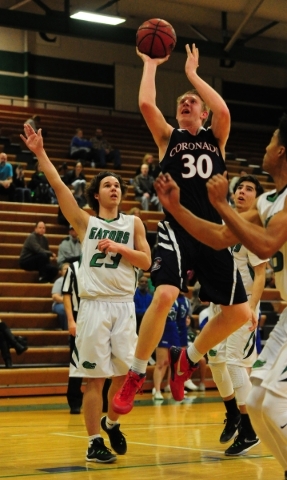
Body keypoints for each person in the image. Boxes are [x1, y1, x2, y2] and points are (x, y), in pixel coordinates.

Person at [112, 43, 252, 415]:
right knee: (164, 295)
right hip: (175, 228)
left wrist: (193, 76)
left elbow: (222, 109)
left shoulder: (215, 137)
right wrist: (150, 64)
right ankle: (136, 374)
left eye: (192, 102)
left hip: (212, 232)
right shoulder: (168, 139)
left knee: (238, 314)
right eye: (182, 102)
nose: (185, 104)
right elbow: (146, 105)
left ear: (203, 113)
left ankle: (189, 356)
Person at [153, 113, 287, 477]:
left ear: (282, 152)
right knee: (258, 400)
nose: (265, 147)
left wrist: (223, 205)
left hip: (246, 306)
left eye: (270, 142)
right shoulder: (266, 205)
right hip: (274, 315)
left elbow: (268, 244)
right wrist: (176, 207)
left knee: (271, 399)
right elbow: (218, 238)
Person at [20, 122, 151, 464]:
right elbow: (59, 185)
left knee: (123, 379)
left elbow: (148, 261)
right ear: (96, 193)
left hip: (123, 307)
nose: (114, 188)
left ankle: (112, 422)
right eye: (108, 185)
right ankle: (94, 441)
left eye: (118, 185)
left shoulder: (133, 223)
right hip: (94, 308)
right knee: (94, 380)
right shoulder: (85, 224)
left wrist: (120, 250)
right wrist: (40, 153)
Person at [152, 301, 180, 400]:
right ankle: (157, 390)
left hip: (174, 333)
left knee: (172, 363)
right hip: (163, 333)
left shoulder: (176, 301)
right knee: (160, 363)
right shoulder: (160, 297)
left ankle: (170, 387)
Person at [51, 263, 70, 330]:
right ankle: (66, 331)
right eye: (65, 269)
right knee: (65, 309)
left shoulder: (77, 281)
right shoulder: (59, 281)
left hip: (73, 304)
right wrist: (68, 302)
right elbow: (55, 297)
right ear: (61, 272)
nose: (68, 270)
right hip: (60, 304)